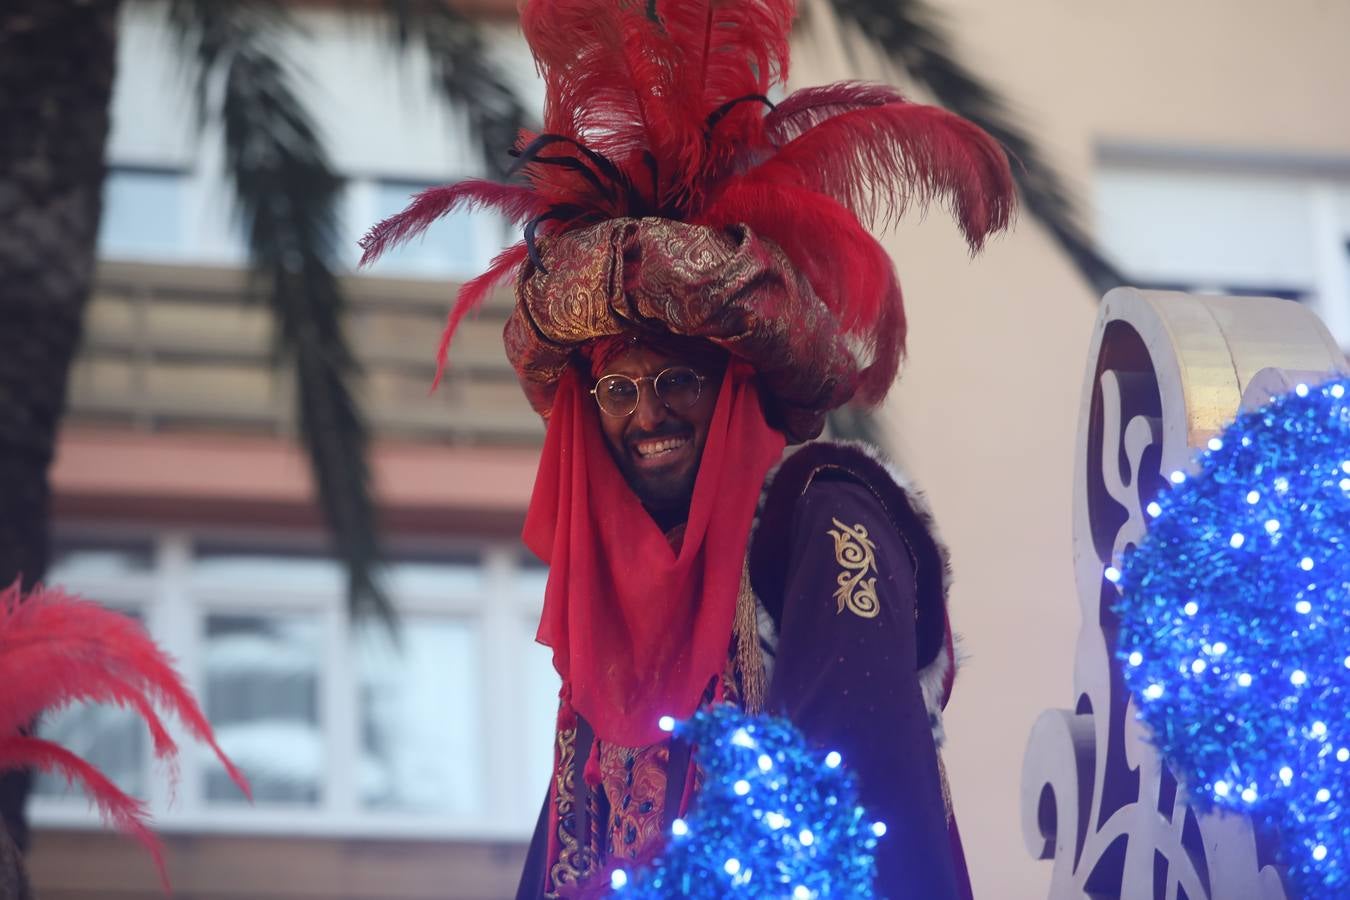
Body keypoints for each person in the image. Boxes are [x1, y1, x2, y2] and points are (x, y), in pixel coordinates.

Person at [360, 1, 1014, 896]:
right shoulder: (610, 622)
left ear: (738, 387)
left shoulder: (820, 517)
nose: (647, 414)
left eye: (679, 381)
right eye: (619, 390)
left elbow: (856, 800)